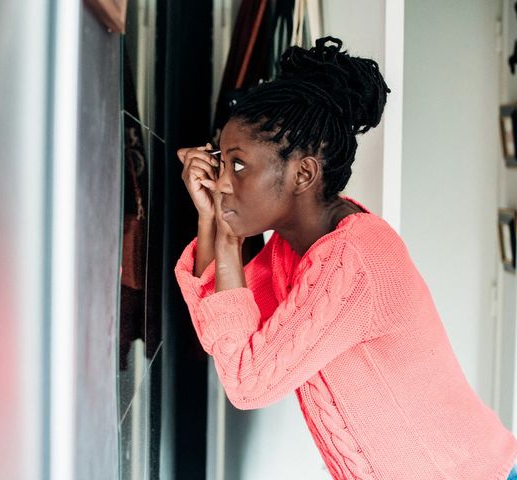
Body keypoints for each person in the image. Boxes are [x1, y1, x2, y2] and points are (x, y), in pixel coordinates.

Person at [174, 36, 517, 479]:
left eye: (238, 164)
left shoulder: (351, 259)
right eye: (222, 161)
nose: (222, 180)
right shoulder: (292, 247)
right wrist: (211, 220)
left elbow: (247, 382)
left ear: (303, 173)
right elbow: (224, 333)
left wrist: (226, 235)